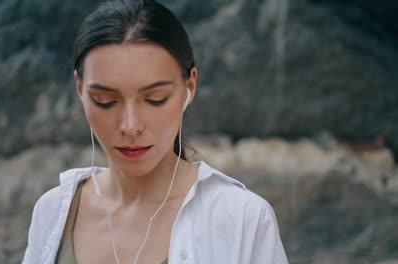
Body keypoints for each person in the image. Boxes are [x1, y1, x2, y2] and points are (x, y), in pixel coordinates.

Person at [22, 0, 288, 263]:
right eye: (105, 100)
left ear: (190, 86)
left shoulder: (243, 218)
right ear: (80, 89)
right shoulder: (54, 211)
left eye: (155, 99)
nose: (130, 126)